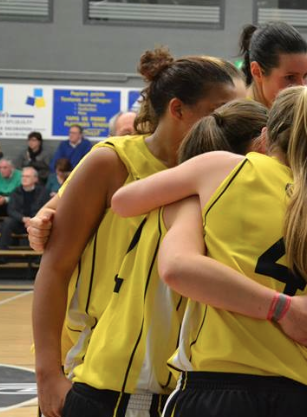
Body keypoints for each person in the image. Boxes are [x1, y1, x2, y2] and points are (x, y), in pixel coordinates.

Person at [32, 47, 243, 417]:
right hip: (106, 376)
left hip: (192, 383)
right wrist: (47, 374)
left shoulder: (227, 172)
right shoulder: (111, 161)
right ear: (178, 110)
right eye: (219, 112)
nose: (229, 122)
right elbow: (55, 266)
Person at [111, 85, 307, 417]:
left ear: (265, 136)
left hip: (220, 385)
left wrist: (192, 198)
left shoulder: (223, 168)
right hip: (302, 393)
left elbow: (123, 202)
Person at [54, 100, 269, 417]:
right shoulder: (185, 206)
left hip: (143, 379)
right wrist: (283, 308)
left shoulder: (195, 201)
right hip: (129, 385)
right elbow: (179, 269)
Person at [239, 22, 307, 108]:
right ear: (257, 72)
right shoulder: (236, 119)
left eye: (305, 75)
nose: (302, 88)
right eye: (290, 77)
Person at [0, 167, 48, 250]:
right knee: (6, 223)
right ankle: (3, 255)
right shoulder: (15, 192)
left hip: (36, 221)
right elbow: (11, 210)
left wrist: (32, 220)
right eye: (23, 176)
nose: (24, 178)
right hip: (19, 222)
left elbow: (44, 208)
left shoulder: (43, 192)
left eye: (27, 176)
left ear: (35, 179)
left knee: (44, 223)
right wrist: (23, 219)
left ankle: (39, 257)